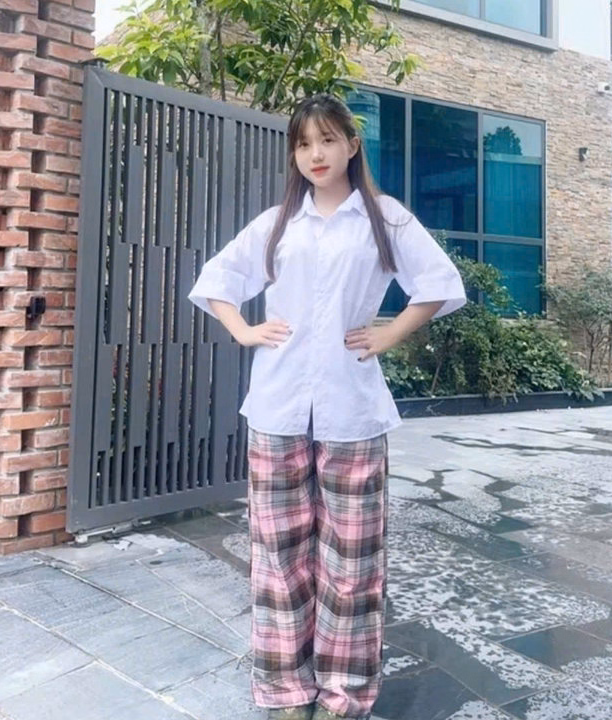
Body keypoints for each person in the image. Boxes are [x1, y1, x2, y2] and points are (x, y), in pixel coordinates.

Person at [188, 94, 466, 720]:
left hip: (352, 409)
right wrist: (243, 329)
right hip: (277, 406)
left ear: (351, 145)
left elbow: (439, 285)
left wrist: (389, 333)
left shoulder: (385, 219)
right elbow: (216, 281)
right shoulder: (277, 224)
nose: (316, 154)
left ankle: (344, 693)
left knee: (353, 559)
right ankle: (286, 690)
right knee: (278, 555)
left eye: (328, 140)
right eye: (304, 143)